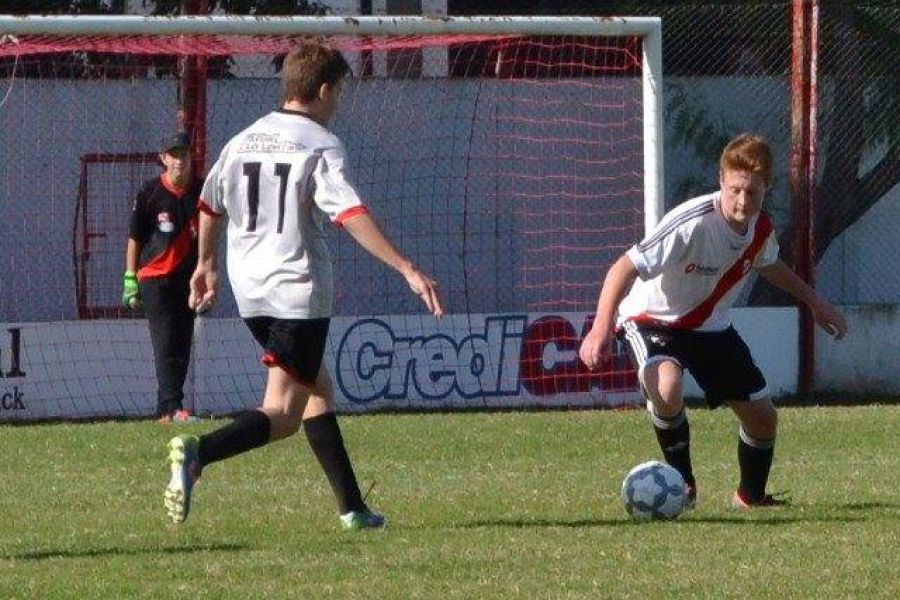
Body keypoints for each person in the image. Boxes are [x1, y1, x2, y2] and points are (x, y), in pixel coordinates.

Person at [164, 42, 444, 529]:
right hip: (297, 291)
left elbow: (210, 204)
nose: (337, 105)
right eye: (338, 95)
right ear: (322, 90)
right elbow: (350, 213)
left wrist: (206, 265)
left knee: (317, 388)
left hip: (250, 291)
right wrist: (406, 268)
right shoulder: (320, 143)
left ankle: (353, 509)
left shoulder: (244, 138)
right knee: (284, 412)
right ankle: (197, 452)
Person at [579, 133, 848, 509]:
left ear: (767, 188)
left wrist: (816, 303)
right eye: (735, 189)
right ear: (721, 180)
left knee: (763, 419)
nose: (742, 201)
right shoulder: (691, 223)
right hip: (653, 320)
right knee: (668, 387)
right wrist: (600, 327)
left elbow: (770, 265)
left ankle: (750, 497)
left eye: (752, 193)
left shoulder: (760, 229)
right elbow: (623, 267)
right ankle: (682, 486)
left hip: (709, 328)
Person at [123, 132, 201, 424]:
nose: (180, 160)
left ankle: (164, 411)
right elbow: (135, 239)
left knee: (181, 342)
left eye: (185, 154)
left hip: (188, 280)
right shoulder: (149, 193)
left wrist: (206, 274)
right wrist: (130, 279)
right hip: (155, 279)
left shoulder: (201, 191)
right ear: (164, 159)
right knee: (165, 340)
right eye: (174, 154)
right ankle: (174, 406)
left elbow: (208, 236)